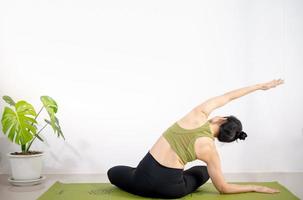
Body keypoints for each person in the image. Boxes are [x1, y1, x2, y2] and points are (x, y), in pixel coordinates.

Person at [107, 79, 284, 199]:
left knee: (113, 171)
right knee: (204, 170)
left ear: (221, 119)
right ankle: (175, 175)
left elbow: (228, 97)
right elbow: (223, 188)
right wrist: (255, 187)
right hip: (170, 190)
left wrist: (260, 86)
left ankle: (149, 178)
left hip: (141, 180)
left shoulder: (198, 114)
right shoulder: (211, 151)